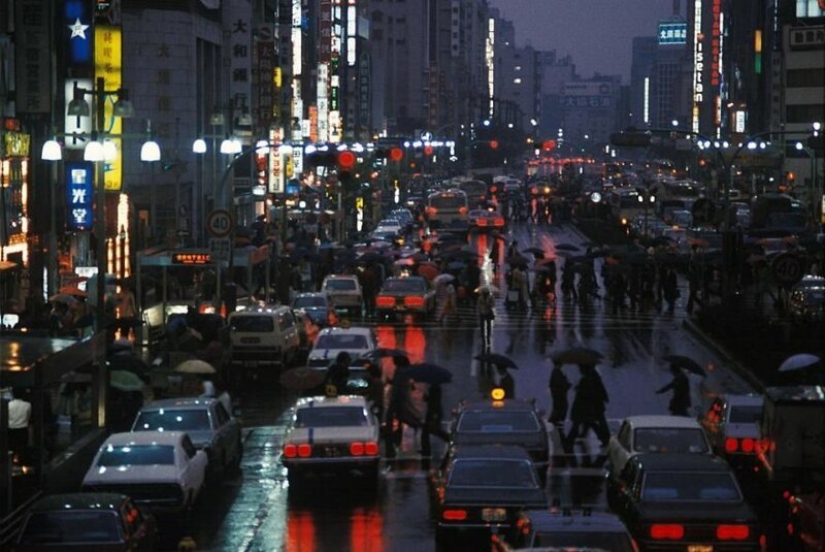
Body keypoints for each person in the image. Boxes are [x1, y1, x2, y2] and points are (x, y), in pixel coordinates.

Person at [566, 364, 610, 449]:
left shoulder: (589, 378)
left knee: (586, 423)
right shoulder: (592, 376)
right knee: (591, 423)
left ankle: (569, 441)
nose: (580, 371)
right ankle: (604, 439)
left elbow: (589, 392)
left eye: (581, 369)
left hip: (590, 406)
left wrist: (579, 389)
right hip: (592, 406)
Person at [420, 383, 449, 457]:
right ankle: (425, 449)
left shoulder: (435, 389)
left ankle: (449, 439)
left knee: (433, 430)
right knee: (428, 430)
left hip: (433, 413)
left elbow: (434, 401)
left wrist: (426, 398)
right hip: (432, 412)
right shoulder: (434, 388)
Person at [8, 388, 32, 461]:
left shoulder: (9, 405)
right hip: (22, 430)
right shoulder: (27, 405)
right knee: (22, 449)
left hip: (11, 430)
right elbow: (28, 416)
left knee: (11, 448)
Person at [548, 362, 571, 430]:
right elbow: (559, 384)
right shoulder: (556, 372)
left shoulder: (557, 372)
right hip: (559, 395)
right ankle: (555, 422)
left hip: (559, 395)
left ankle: (556, 422)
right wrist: (567, 385)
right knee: (560, 408)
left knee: (559, 408)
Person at [476, 286, 496, 351]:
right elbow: (478, 305)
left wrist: (488, 304)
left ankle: (488, 335)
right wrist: (479, 312)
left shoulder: (491, 297)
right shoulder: (480, 298)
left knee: (488, 324)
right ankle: (482, 335)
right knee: (482, 325)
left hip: (488, 312)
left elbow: (493, 304)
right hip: (482, 312)